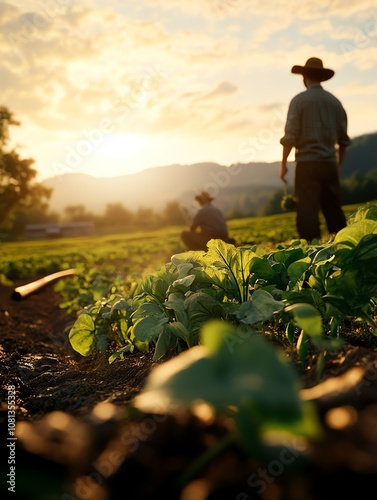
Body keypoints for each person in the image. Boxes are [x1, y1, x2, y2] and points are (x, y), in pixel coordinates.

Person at [280, 57, 351, 242]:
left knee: (307, 212)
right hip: (329, 163)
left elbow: (290, 136)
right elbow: (343, 140)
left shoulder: (298, 101)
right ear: (321, 77)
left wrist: (284, 164)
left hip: (307, 164)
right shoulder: (335, 103)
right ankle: (345, 250)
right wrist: (338, 165)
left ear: (304, 77)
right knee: (334, 211)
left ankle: (311, 254)